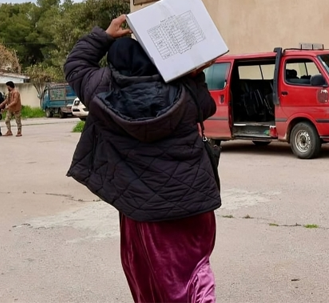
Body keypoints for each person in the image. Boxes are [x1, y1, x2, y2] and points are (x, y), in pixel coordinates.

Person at [64, 15, 221, 303]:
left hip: (142, 212)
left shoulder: (99, 90)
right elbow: (206, 106)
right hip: (193, 204)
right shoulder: (184, 89)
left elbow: (75, 65)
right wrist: (194, 70)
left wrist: (105, 36)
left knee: (151, 282)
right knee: (194, 271)